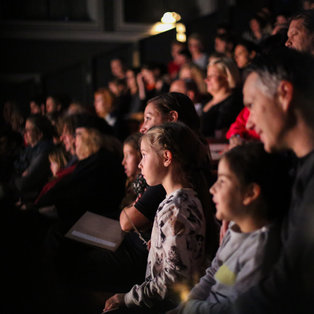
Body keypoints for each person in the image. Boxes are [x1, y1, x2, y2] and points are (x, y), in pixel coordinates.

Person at [196, 47, 314, 314]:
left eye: (251, 105)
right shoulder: (297, 166)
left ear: (284, 94)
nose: (248, 122)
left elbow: (289, 285)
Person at [168, 142, 292, 314]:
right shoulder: (235, 226)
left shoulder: (259, 254)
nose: (212, 189)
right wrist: (186, 305)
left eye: (222, 181)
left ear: (250, 193)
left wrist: (190, 308)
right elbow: (213, 273)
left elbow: (234, 310)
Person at [104, 122, 214, 313]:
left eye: (144, 155)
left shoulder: (177, 208)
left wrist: (127, 298)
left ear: (166, 157)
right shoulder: (182, 200)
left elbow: (172, 282)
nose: (140, 164)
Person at [201, 57, 243, 139]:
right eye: (207, 76)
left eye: (211, 76)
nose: (206, 80)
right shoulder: (206, 102)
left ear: (227, 77)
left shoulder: (233, 103)